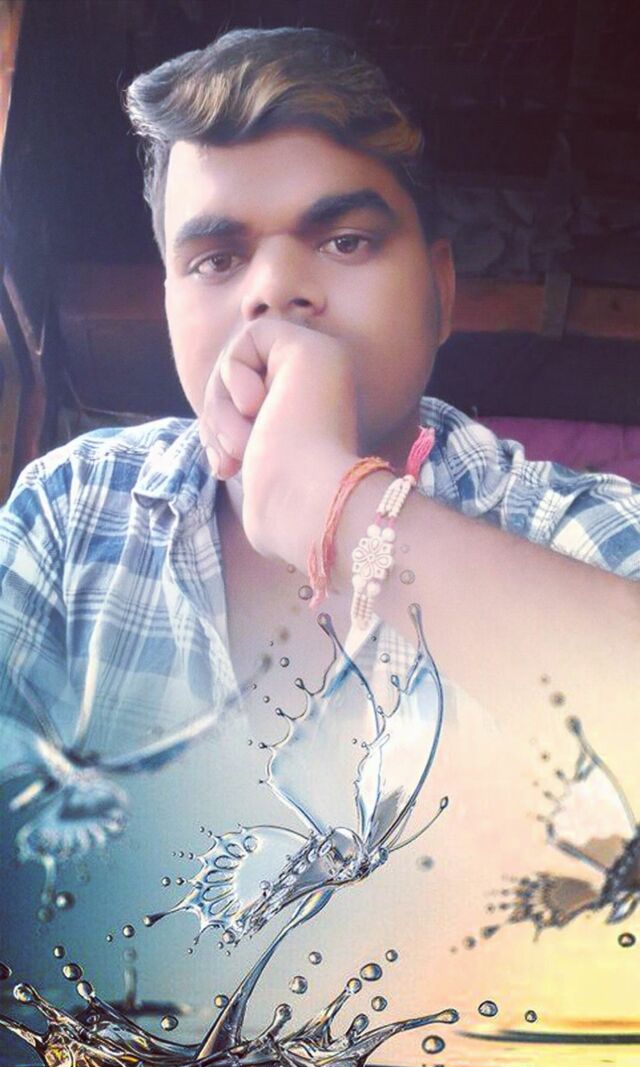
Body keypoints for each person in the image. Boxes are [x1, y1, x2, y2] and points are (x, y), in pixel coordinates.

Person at [1, 25, 638, 798]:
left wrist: (342, 508)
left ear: (441, 292)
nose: (274, 290)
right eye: (216, 260)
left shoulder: (577, 532)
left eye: (345, 242)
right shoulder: (68, 511)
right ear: (171, 308)